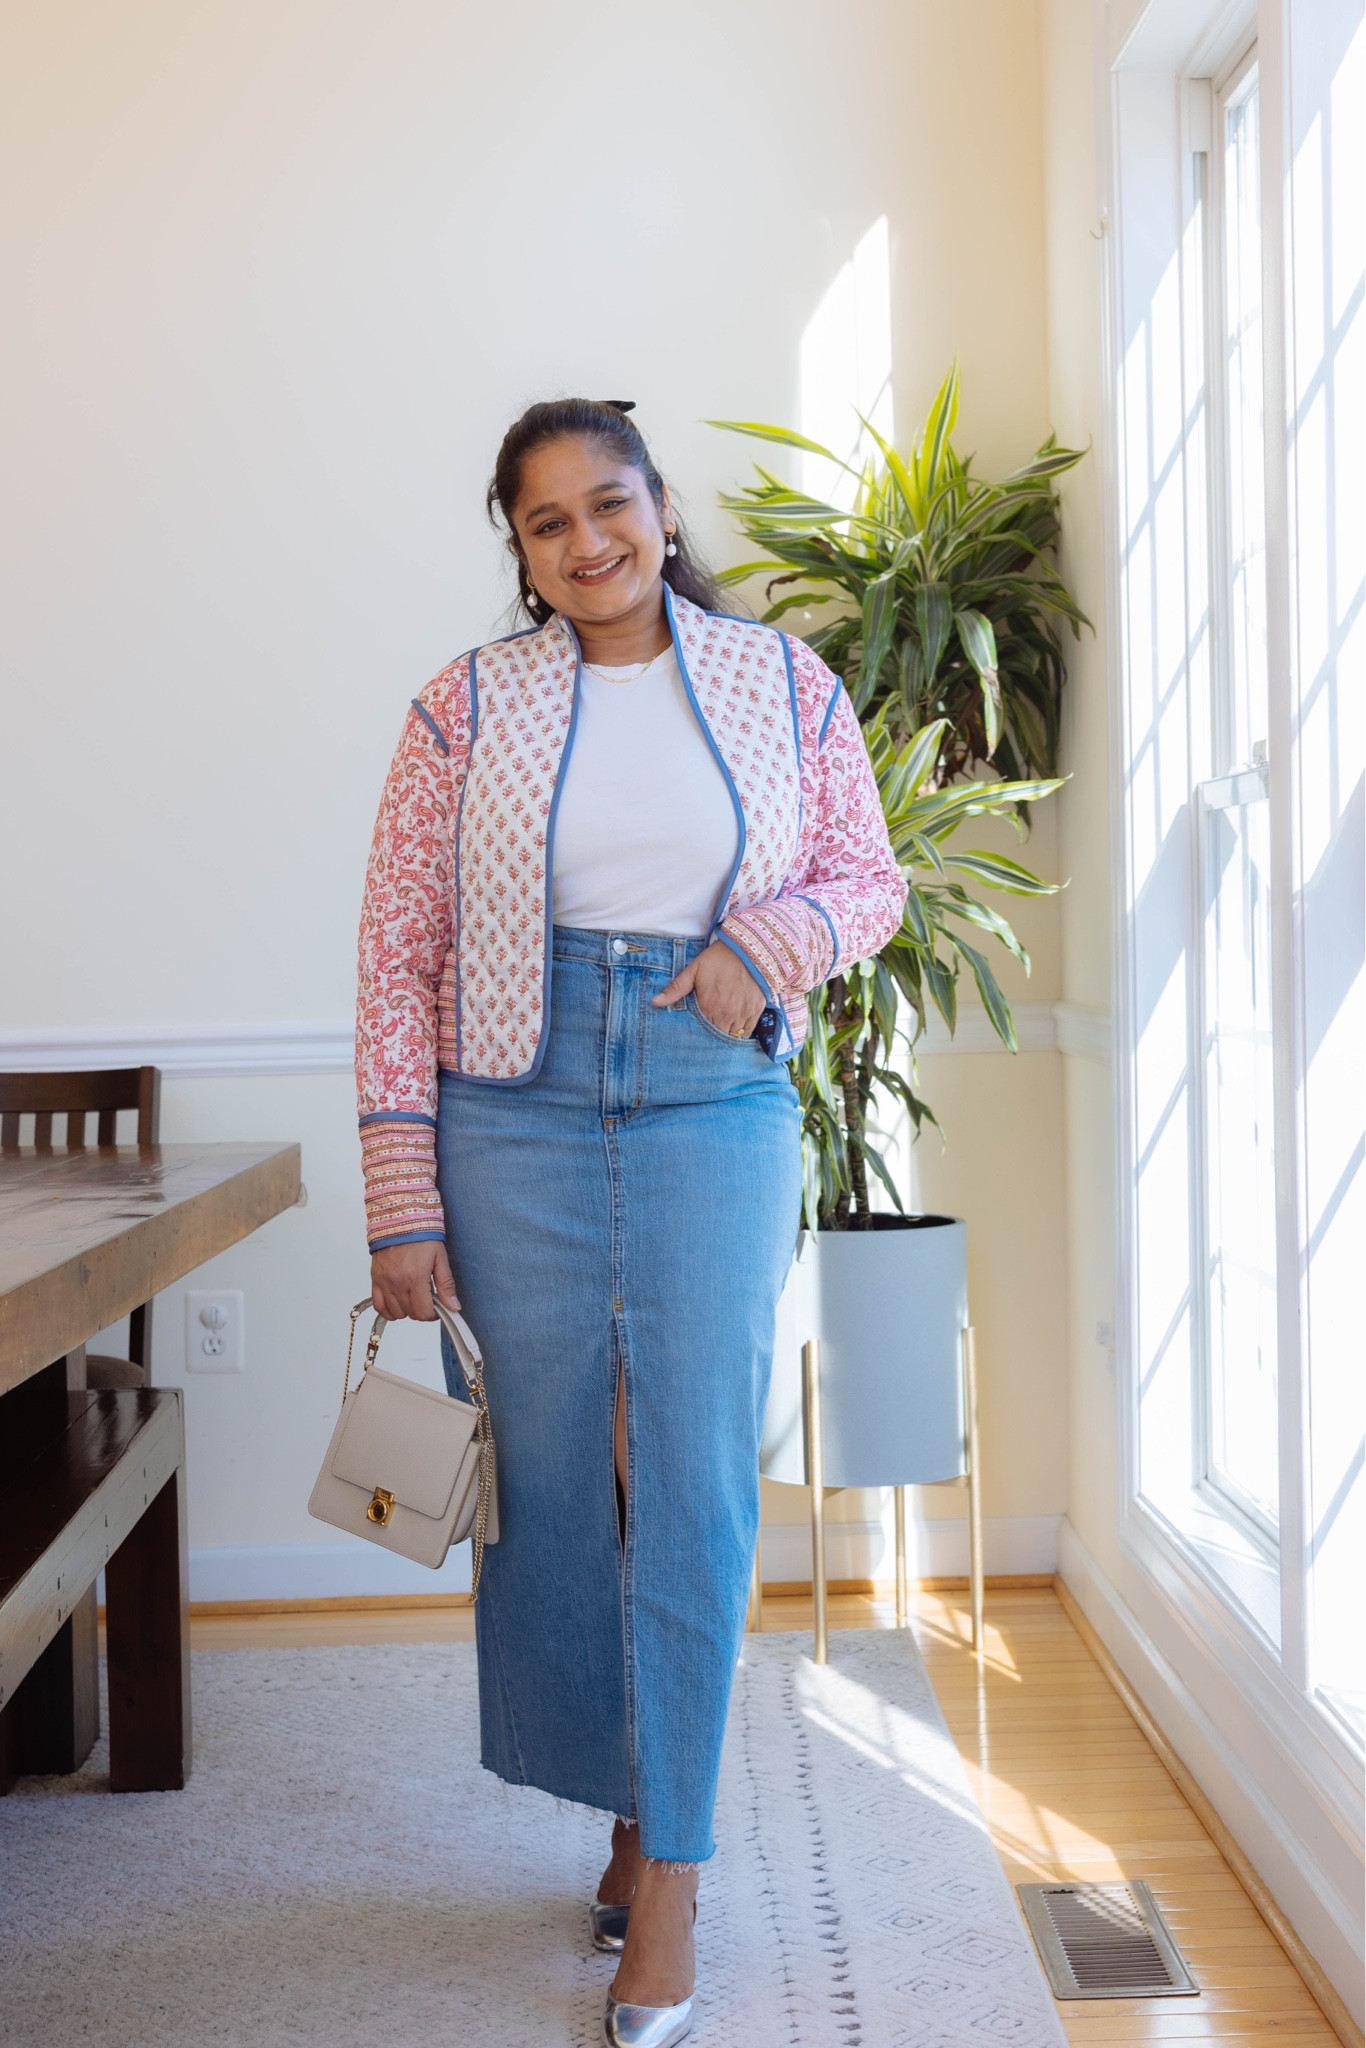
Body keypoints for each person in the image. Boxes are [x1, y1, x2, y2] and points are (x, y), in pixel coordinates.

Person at [356, 397, 905, 2047]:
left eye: (609, 504)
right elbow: (396, 948)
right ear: (516, 551)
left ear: (661, 506)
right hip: (503, 1108)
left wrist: (769, 945)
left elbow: (869, 878)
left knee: (686, 1480)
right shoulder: (464, 709)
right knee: (555, 1480)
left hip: (704, 1092)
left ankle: (668, 1873)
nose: (586, 541)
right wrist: (400, 1192)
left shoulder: (780, 682)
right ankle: (615, 1804)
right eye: (546, 523)